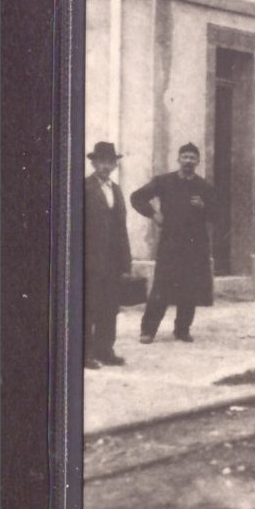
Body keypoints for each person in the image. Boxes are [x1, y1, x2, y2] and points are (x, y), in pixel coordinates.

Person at [130, 142, 216, 343]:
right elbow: (137, 197)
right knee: (161, 286)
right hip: (171, 242)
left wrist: (203, 206)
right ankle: (148, 331)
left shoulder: (204, 186)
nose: (188, 161)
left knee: (190, 287)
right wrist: (153, 214)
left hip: (195, 245)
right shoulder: (163, 181)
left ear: (198, 162)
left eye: (192, 158)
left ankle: (182, 329)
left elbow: (217, 214)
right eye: (184, 157)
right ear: (178, 160)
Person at [83, 140, 133, 368]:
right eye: (101, 161)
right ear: (94, 163)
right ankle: (84, 353)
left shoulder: (116, 190)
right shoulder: (84, 188)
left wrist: (126, 261)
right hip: (91, 257)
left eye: (110, 162)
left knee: (110, 306)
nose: (105, 166)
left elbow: (121, 227)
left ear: (115, 165)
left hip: (112, 259)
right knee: (89, 305)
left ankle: (105, 350)